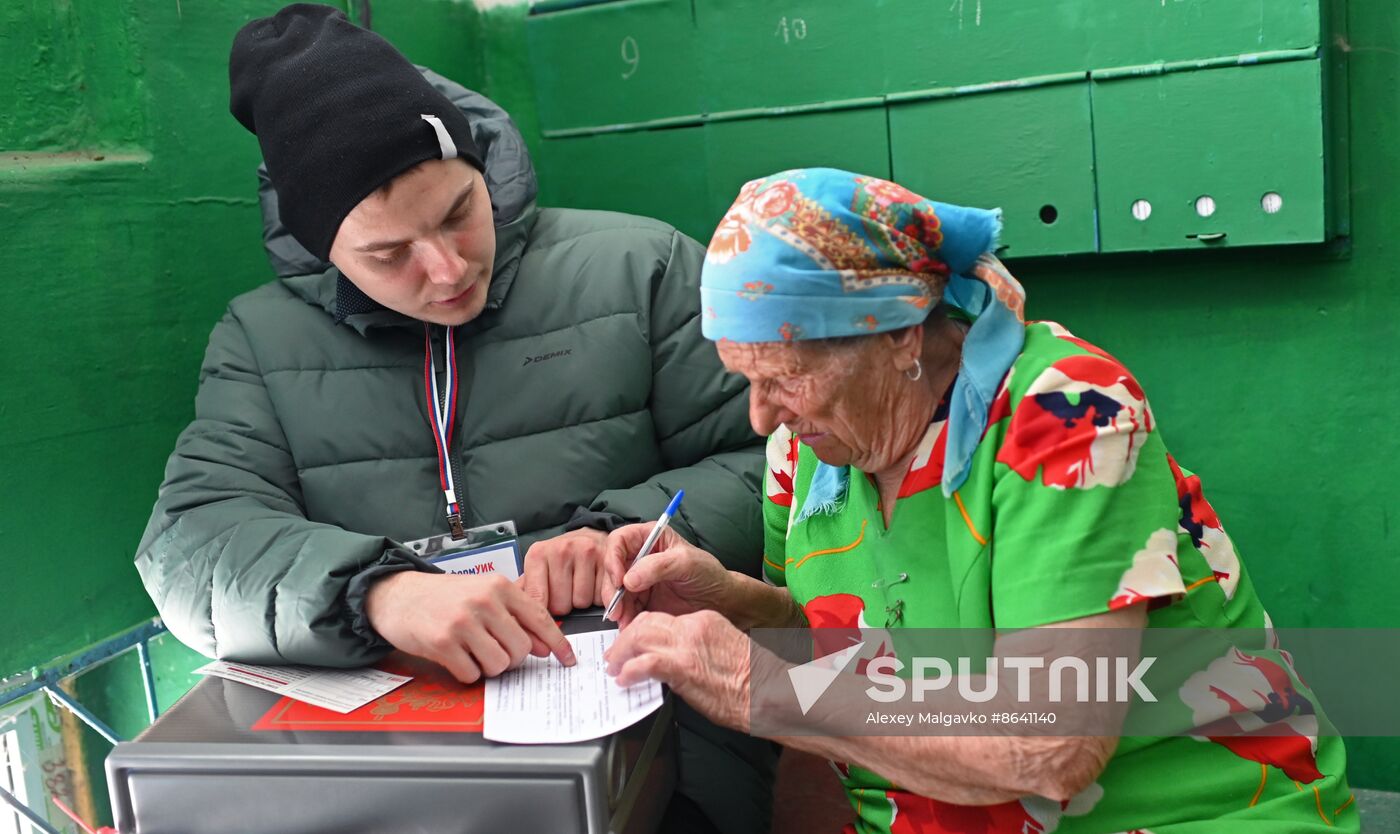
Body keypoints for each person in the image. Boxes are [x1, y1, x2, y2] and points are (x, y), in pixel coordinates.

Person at [134, 5, 773, 831]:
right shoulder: (260, 341)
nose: (445, 270)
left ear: (481, 165)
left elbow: (781, 467)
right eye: (388, 254)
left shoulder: (640, 271)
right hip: (406, 780)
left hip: (661, 742)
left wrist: (629, 535)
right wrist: (376, 596)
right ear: (319, 245)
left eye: (456, 213)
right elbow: (190, 545)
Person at [600, 168, 1357, 833]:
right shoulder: (804, 453)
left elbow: (1052, 746)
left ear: (899, 335)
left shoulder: (1069, 413)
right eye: (746, 379)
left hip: (1178, 813)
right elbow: (850, 653)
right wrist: (740, 605)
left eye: (787, 376)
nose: (763, 416)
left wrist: (755, 683)